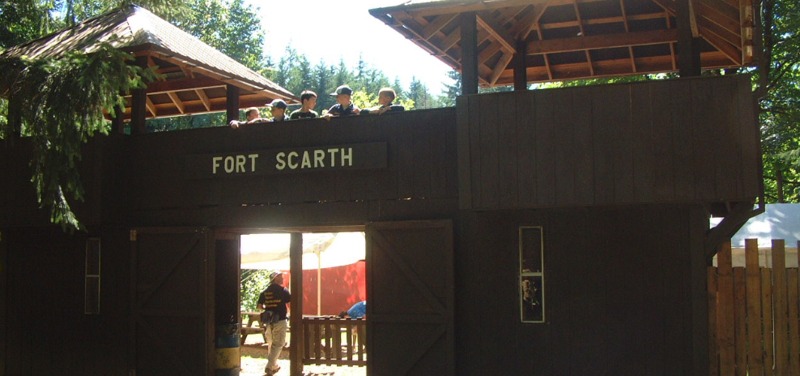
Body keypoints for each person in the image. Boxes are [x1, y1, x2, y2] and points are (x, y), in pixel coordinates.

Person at [257, 271, 291, 376]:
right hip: (280, 319)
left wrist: (268, 308)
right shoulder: (283, 290)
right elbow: (290, 302)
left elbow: (259, 306)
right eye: (280, 276)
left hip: (269, 321)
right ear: (275, 279)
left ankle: (274, 366)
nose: (283, 278)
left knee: (271, 344)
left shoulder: (265, 292)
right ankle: (269, 365)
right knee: (279, 343)